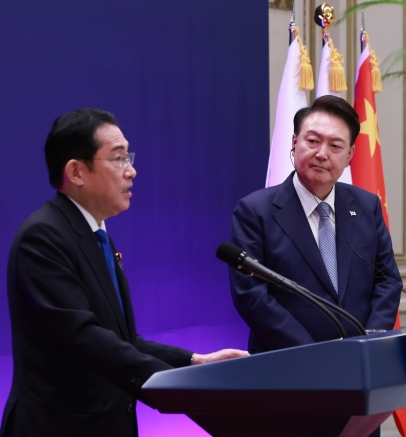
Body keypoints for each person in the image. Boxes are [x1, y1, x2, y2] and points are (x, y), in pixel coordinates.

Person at [0, 108, 248, 437]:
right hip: (60, 427)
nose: (131, 171)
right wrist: (178, 386)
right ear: (76, 171)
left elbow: (123, 342)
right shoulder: (43, 237)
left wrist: (193, 362)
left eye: (128, 157)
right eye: (118, 159)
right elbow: (85, 337)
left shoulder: (95, 236)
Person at [229, 95, 401, 354]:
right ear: (295, 143)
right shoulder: (255, 211)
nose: (321, 154)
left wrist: (370, 342)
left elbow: (387, 281)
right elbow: (252, 296)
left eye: (335, 146)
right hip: (288, 364)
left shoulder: (366, 206)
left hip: (360, 361)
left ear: (350, 156)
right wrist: (311, 354)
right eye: (312, 141)